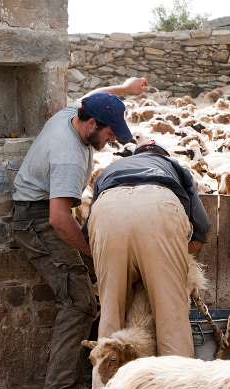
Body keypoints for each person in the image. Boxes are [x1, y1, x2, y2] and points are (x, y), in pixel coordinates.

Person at [11, 78, 148, 389]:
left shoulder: (72, 114)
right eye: (109, 133)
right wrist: (94, 252)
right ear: (90, 124)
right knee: (79, 301)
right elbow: (59, 219)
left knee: (92, 281)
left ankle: (99, 364)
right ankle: (59, 386)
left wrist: (125, 89)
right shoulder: (70, 157)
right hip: (37, 221)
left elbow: (93, 96)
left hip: (44, 211)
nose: (112, 140)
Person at [88, 140, 211, 357]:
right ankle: (175, 387)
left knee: (111, 313)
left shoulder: (110, 169)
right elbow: (202, 226)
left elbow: (88, 233)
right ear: (163, 156)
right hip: (158, 207)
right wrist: (177, 260)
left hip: (108, 211)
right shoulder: (175, 167)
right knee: (171, 316)